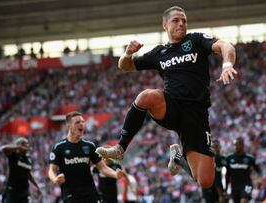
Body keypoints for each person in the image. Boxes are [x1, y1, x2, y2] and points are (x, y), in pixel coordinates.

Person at [96, 5, 237, 188]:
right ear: (165, 25)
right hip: (172, 106)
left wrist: (227, 64)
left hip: (196, 115)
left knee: (205, 181)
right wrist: (128, 53)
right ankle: (121, 147)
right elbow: (125, 66)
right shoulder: (160, 53)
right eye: (176, 20)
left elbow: (226, 46)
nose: (181, 24)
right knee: (146, 96)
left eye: (184, 21)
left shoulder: (196, 40)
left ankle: (178, 158)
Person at [48, 111, 125, 203]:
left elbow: (103, 168)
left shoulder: (90, 146)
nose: (81, 124)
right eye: (77, 122)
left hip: (90, 194)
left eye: (82, 122)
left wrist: (115, 174)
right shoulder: (59, 147)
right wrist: (55, 179)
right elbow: (51, 170)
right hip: (71, 195)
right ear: (69, 126)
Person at [0, 137, 42, 203]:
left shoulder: (28, 158)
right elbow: (3, 148)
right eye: (24, 144)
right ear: (18, 145)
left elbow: (28, 173)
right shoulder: (13, 155)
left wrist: (36, 186)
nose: (26, 145)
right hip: (13, 191)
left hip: (24, 192)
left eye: (27, 144)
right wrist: (18, 147)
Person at [225, 137, 261, 203]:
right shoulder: (229, 158)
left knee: (244, 201)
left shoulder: (249, 158)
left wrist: (258, 180)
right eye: (234, 145)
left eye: (237, 144)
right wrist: (226, 188)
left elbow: (259, 171)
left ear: (242, 145)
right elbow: (227, 175)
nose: (235, 146)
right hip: (234, 186)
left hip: (247, 185)